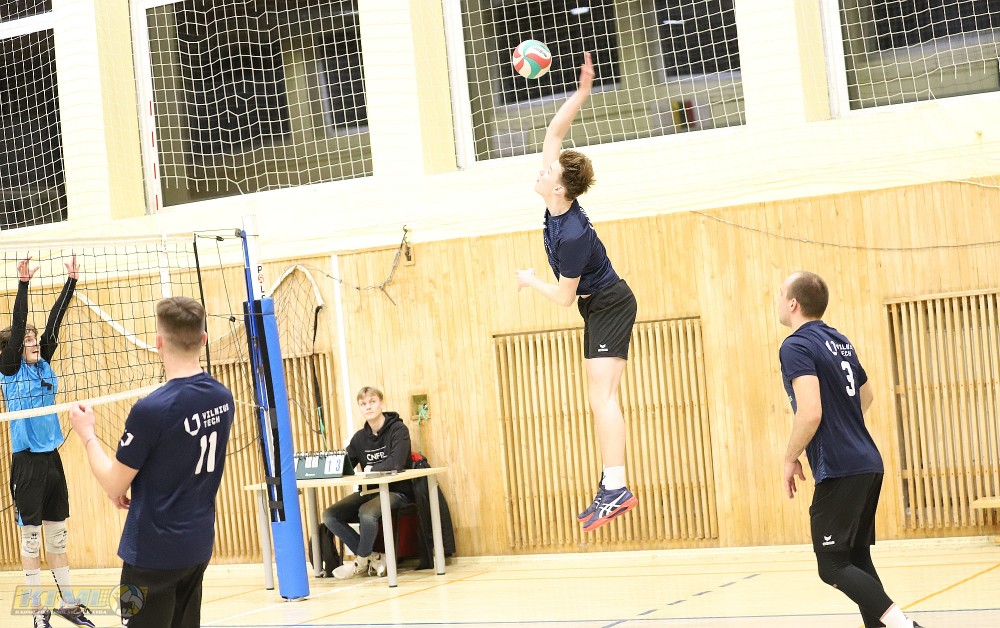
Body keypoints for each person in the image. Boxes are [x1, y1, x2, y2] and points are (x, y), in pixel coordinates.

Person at [515, 52, 638, 533]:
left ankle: (617, 487)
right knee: (598, 396)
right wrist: (583, 92)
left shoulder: (571, 236)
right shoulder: (557, 202)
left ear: (560, 190)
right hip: (600, 306)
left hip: (608, 303)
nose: (542, 172)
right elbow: (554, 133)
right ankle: (612, 484)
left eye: (549, 174)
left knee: (602, 397)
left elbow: (565, 299)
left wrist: (531, 281)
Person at [68, 296, 234, 628]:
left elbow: (114, 483)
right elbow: (176, 456)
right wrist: (139, 483)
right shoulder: (223, 397)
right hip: (197, 546)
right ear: (203, 339)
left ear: (158, 342)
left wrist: (87, 435)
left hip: (152, 555)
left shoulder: (151, 409)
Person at [777, 272, 924, 628]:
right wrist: (845, 424)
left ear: (793, 303)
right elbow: (866, 395)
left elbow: (810, 412)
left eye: (780, 294)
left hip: (841, 467)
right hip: (868, 461)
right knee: (856, 558)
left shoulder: (796, 345)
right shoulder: (839, 341)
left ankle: (906, 626)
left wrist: (790, 457)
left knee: (831, 565)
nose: (777, 300)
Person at [0, 256, 94, 628]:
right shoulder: (9, 369)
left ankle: (69, 604)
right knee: (30, 541)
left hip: (52, 459)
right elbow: (19, 323)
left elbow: (55, 322)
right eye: (27, 340)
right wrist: (23, 284)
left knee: (57, 538)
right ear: (12, 347)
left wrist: (71, 282)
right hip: (27, 463)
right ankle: (37, 611)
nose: (33, 342)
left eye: (33, 339)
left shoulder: (42, 363)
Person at [323, 386, 413, 580]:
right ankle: (375, 557)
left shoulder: (399, 430)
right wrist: (330, 464)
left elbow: (396, 462)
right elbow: (345, 464)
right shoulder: (359, 438)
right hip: (369, 491)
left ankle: (361, 562)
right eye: (363, 404)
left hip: (397, 491)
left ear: (382, 404)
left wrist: (370, 468)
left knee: (366, 512)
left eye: (372, 402)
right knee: (330, 515)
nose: (368, 407)